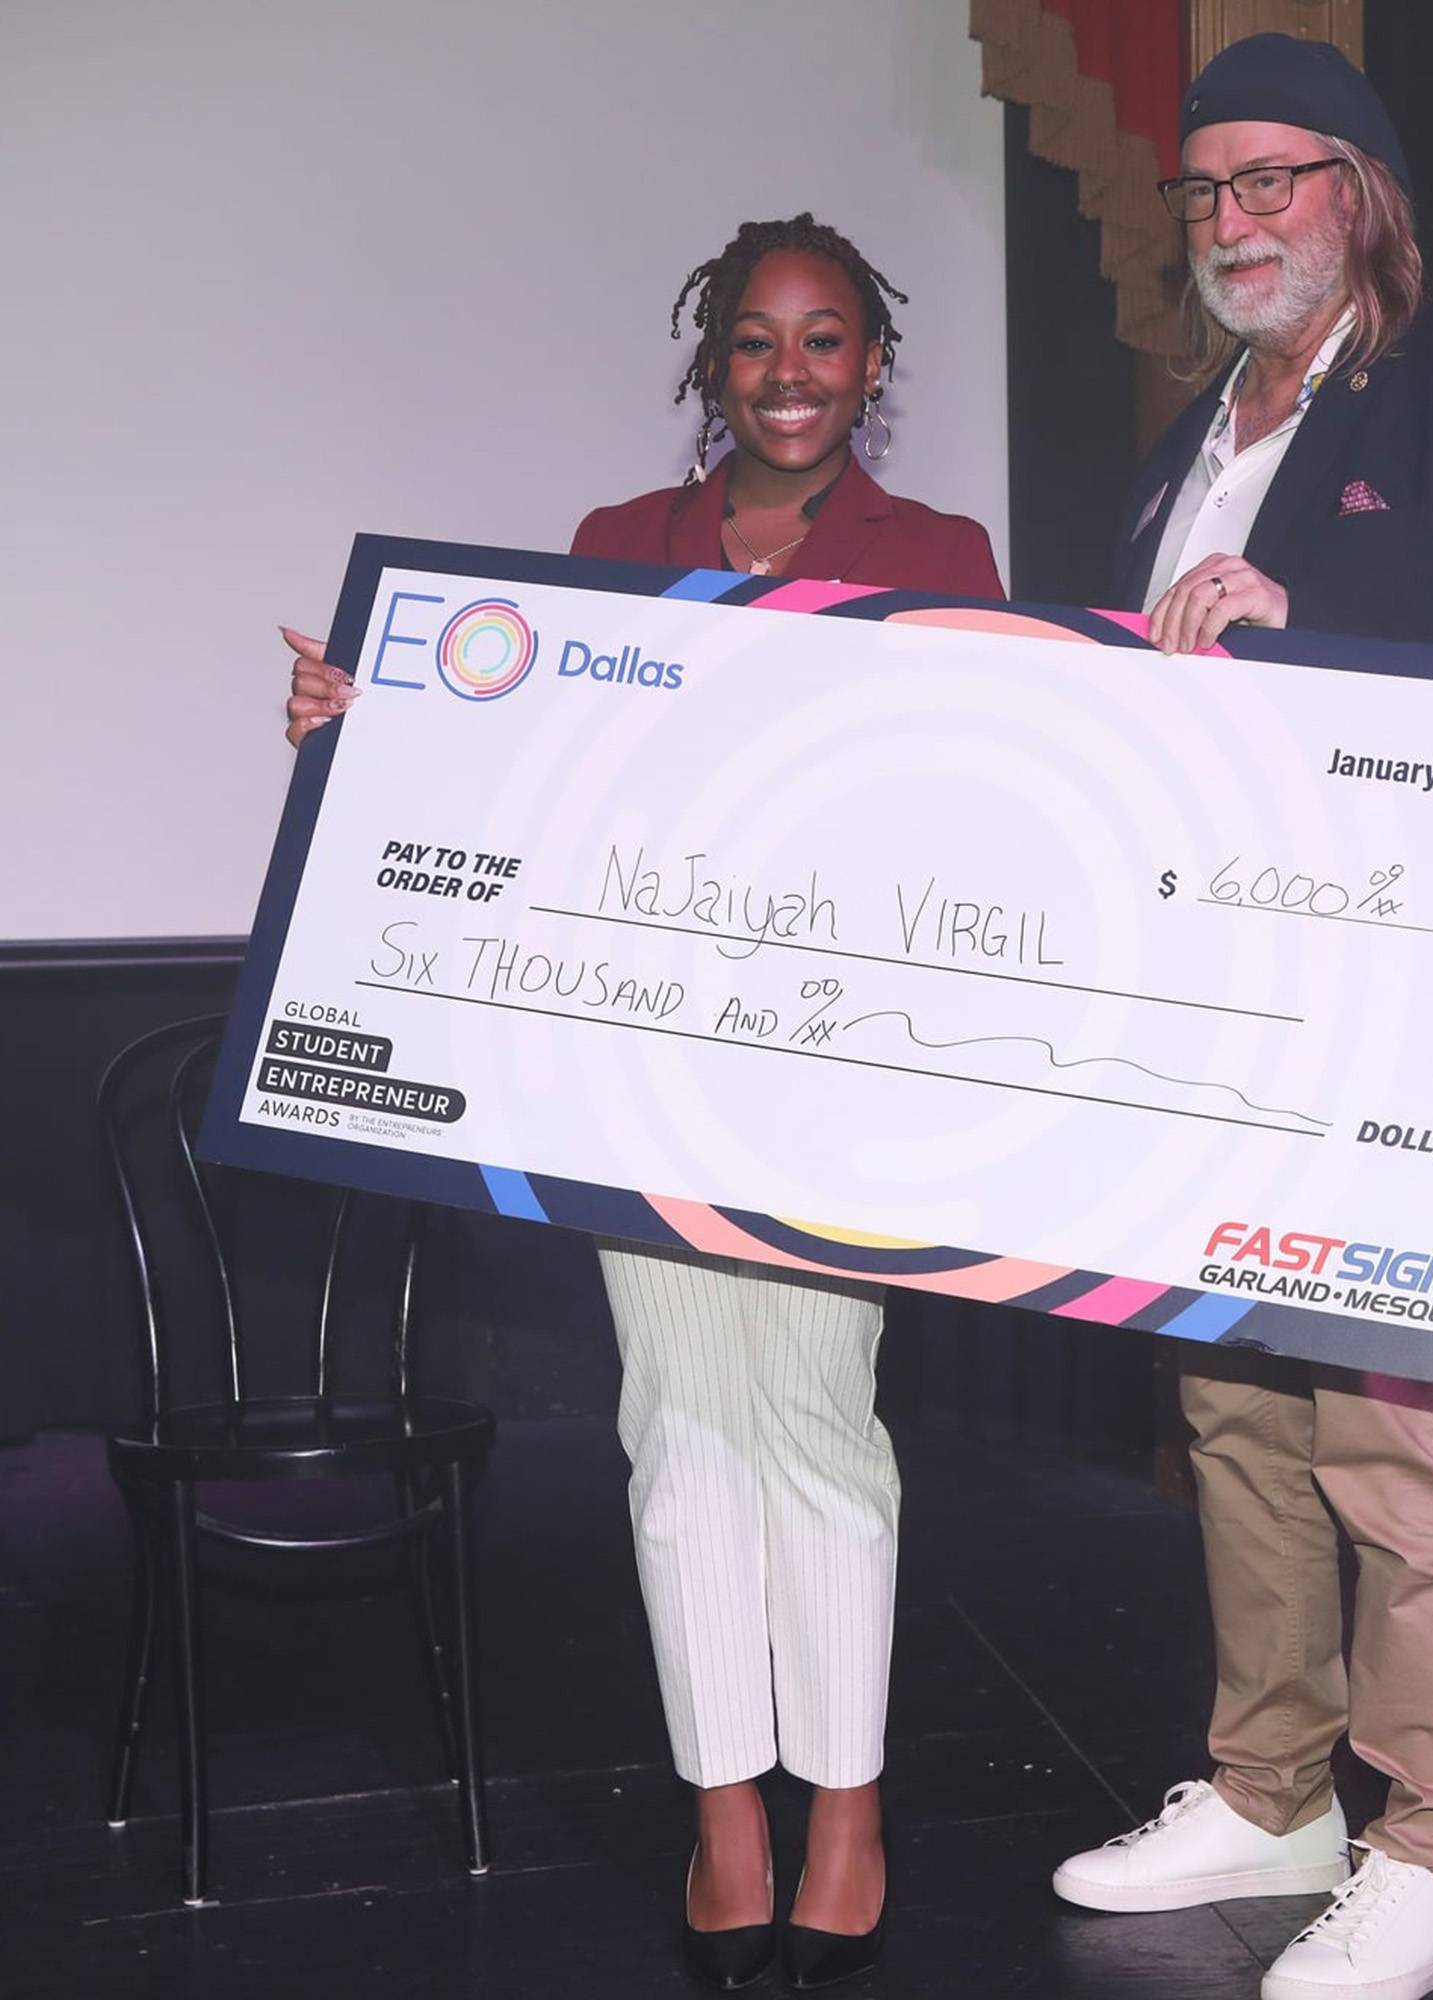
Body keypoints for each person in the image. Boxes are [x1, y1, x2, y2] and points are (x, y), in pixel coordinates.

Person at [284, 213, 1003, 1993]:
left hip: (844, 1064)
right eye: (755, 341)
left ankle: (846, 1810)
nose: (788, 373)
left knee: (820, 1420)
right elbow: (534, 775)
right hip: (644, 1065)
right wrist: (362, 732)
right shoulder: (618, 549)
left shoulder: (944, 554)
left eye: (824, 340)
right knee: (682, 1433)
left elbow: (992, 799)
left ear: (874, 368)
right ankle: (726, 1814)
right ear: (713, 364)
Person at [1052, 37, 1433, 2000]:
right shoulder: (1176, 444)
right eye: (1204, 193)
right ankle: (1269, 1786)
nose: (1231, 222)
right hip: (1212, 995)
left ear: (1361, 191)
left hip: (1401, 998)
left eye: (1270, 181)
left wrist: (1318, 638)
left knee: (1390, 1428)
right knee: (1227, 1406)